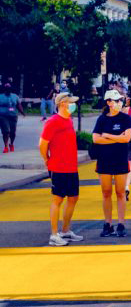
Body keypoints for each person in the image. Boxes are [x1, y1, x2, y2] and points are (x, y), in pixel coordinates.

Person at [39, 92, 83, 246]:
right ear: (63, 103)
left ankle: (65, 231)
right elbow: (42, 144)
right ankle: (54, 234)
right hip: (58, 167)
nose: (73, 105)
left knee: (73, 198)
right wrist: (47, 159)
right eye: (71, 102)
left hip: (71, 166)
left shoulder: (68, 120)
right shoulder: (53, 122)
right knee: (57, 199)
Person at [92, 89, 131, 238]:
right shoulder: (102, 119)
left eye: (120, 100)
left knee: (120, 192)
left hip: (120, 159)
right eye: (116, 101)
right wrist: (117, 137)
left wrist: (108, 136)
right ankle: (107, 224)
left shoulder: (125, 118)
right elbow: (96, 139)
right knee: (106, 193)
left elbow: (126, 138)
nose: (119, 103)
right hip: (104, 160)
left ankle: (121, 224)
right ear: (108, 102)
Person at [0, 82, 24, 153]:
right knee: (6, 131)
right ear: (4, 89)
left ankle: (11, 144)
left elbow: (18, 105)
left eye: (9, 89)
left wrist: (22, 112)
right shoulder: (0, 96)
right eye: (6, 89)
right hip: (3, 116)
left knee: (13, 133)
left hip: (13, 116)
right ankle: (6, 146)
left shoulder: (15, 96)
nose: (8, 90)